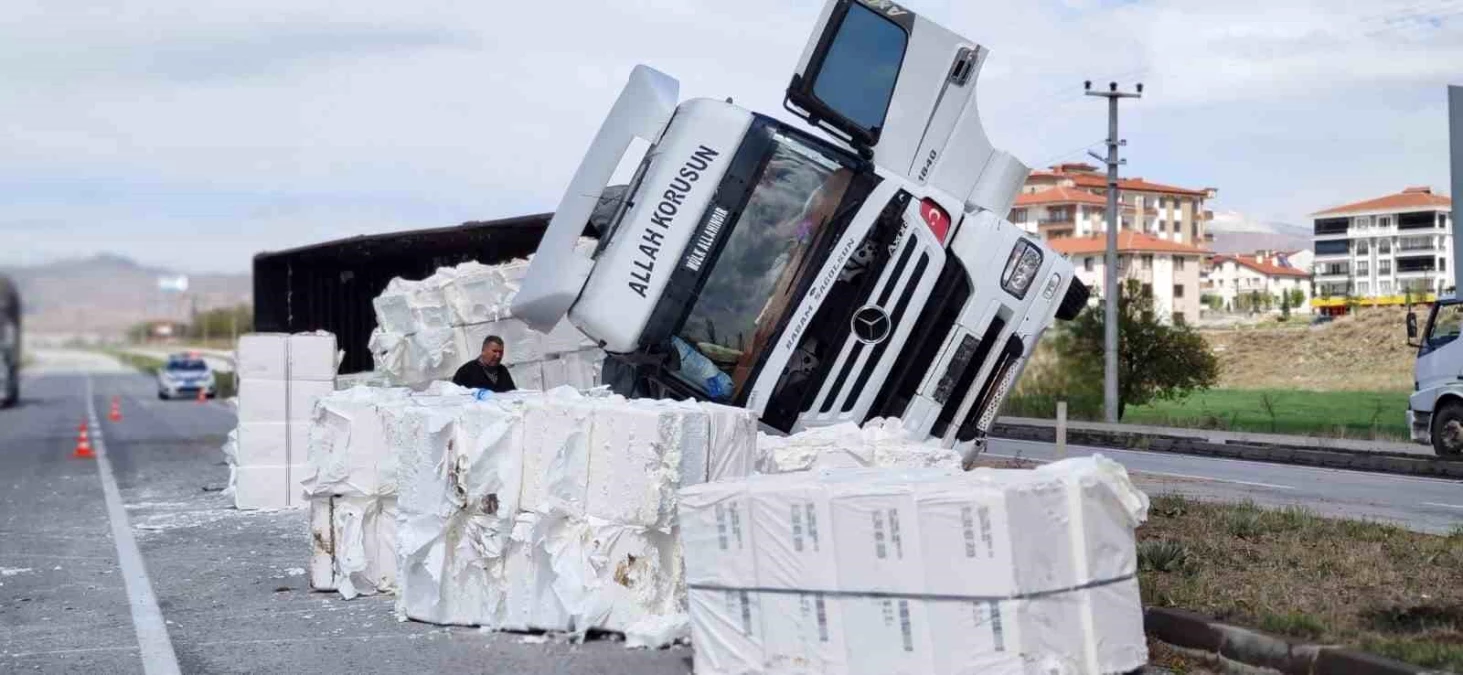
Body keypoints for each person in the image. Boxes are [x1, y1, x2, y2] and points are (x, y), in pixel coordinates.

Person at [451, 335, 517, 392]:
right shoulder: (467, 371)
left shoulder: (502, 370)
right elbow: (456, 397)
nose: (498, 356)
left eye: (501, 352)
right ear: (483, 351)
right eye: (494, 351)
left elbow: (512, 394)